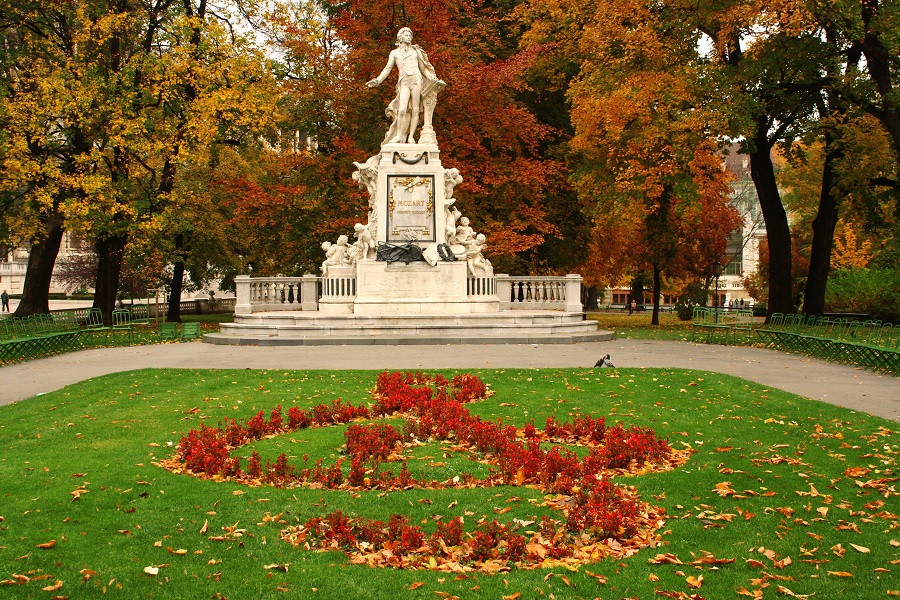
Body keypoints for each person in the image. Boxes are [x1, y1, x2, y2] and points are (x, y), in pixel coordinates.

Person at [367, 28, 444, 144]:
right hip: (404, 82)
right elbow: (387, 69)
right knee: (402, 109)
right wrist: (377, 80)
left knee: (415, 109)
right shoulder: (394, 53)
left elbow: (423, 69)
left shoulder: (415, 52)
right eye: (406, 35)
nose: (409, 37)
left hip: (416, 80)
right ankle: (398, 136)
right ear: (400, 38)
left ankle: (411, 137)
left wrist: (430, 76)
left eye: (410, 35)